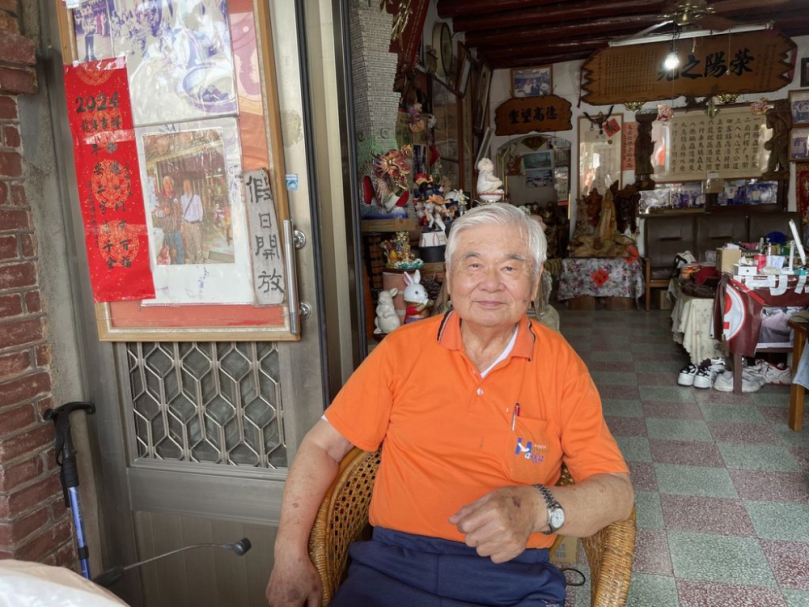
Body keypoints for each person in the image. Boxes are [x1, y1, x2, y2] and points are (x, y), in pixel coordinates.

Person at [265, 204, 633, 607]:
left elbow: (616, 491)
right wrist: (288, 554)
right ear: (450, 276)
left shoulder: (560, 365)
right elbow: (322, 446)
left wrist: (536, 508)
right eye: (474, 265)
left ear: (535, 282)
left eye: (511, 268)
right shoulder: (401, 351)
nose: (490, 285)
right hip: (391, 570)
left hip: (511, 578)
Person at [158, 176, 184, 265]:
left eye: (170, 183)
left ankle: (181, 268)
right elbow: (154, 212)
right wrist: (162, 212)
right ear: (163, 185)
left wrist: (182, 225)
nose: (169, 185)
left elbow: (181, 211)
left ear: (173, 185)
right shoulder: (159, 197)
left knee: (180, 252)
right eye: (167, 183)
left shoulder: (177, 195)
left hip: (177, 230)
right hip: (166, 231)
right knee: (167, 254)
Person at [180, 178, 204, 264]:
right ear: (183, 187)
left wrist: (199, 222)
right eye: (185, 185)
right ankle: (191, 261)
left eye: (188, 185)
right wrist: (182, 224)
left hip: (196, 224)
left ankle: (200, 262)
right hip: (187, 224)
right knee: (189, 245)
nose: (186, 187)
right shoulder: (182, 198)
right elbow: (182, 212)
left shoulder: (196, 197)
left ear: (191, 186)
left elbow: (200, 210)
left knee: (198, 245)